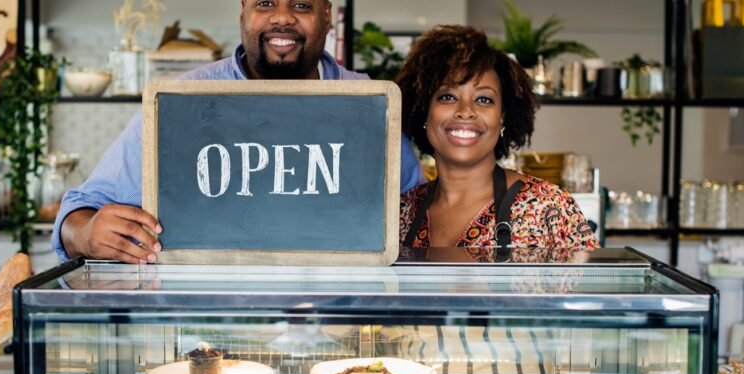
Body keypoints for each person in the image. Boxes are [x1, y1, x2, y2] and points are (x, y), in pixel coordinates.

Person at [53, 0, 425, 264]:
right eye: (265, 3)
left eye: (301, 6)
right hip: (208, 337)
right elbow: (77, 212)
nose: (282, 18)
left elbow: (420, 214)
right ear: (243, 12)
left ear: (327, 16)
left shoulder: (370, 104)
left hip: (338, 331)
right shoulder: (181, 101)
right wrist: (85, 234)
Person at [395, 25, 598, 250]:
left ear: (502, 117)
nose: (465, 111)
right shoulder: (401, 212)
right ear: (424, 111)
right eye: (448, 96)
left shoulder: (548, 209)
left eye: (484, 99)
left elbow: (597, 285)